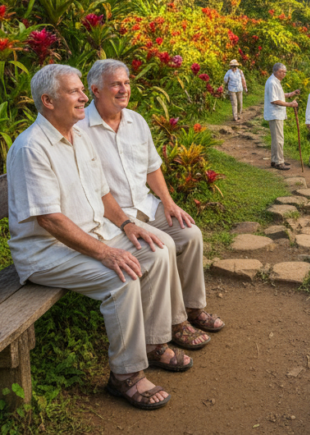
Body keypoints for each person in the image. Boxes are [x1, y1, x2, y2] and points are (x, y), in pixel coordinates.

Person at [7, 64, 190, 412]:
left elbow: (104, 192)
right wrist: (105, 253)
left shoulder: (78, 136)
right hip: (46, 252)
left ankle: (152, 343)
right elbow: (49, 219)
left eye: (81, 90)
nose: (81, 97)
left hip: (92, 235)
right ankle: (125, 376)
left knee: (158, 247)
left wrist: (126, 225)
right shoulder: (32, 147)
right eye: (73, 92)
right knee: (120, 277)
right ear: (47, 101)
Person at [77, 59, 224, 351]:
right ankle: (173, 323)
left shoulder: (136, 121)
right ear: (94, 90)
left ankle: (192, 308)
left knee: (190, 233)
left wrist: (168, 203)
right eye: (116, 84)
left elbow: (151, 167)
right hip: (114, 216)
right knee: (162, 244)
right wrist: (125, 223)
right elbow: (91, 189)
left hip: (145, 203)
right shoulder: (80, 129)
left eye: (127, 82)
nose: (124, 89)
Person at [263, 62, 299, 170]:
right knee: (279, 139)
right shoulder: (272, 82)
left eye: (284, 72)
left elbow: (278, 95)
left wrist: (290, 94)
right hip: (275, 114)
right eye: (281, 72)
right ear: (275, 71)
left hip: (277, 114)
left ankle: (275, 160)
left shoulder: (275, 81)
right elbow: (274, 100)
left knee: (276, 139)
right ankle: (279, 161)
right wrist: (290, 104)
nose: (283, 74)